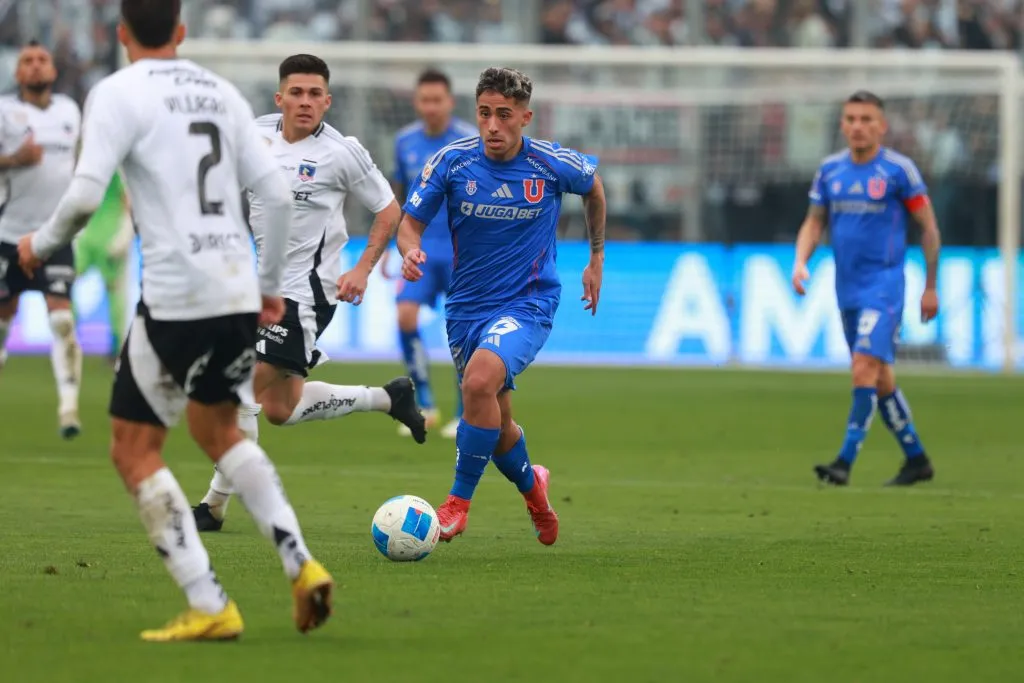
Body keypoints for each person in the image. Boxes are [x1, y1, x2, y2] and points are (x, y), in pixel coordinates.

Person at [18, 0, 333, 641]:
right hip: (236, 287)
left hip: (173, 293)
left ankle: (210, 601)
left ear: (121, 34)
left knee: (133, 447)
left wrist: (38, 244)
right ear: (183, 33)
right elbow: (273, 193)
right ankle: (301, 563)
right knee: (218, 429)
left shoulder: (117, 91)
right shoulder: (219, 91)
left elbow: (82, 197)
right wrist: (269, 286)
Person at [191, 53, 426, 533]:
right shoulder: (253, 134)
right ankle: (387, 398)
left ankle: (213, 507)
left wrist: (363, 268)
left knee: (239, 389)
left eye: (315, 94)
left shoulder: (342, 152)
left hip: (307, 295)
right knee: (280, 409)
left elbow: (388, 211)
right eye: (296, 93)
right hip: (261, 291)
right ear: (280, 98)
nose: (305, 102)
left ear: (327, 100)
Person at [396, 67, 607, 545]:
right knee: (497, 422)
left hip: (528, 302)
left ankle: (456, 505)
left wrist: (596, 258)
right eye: (485, 114)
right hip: (466, 308)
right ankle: (536, 492)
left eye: (504, 116)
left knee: (478, 381)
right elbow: (409, 223)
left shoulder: (551, 164)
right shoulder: (451, 162)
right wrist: (408, 250)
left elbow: (594, 187)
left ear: (525, 118)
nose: (493, 126)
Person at [792, 90, 940, 487]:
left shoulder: (898, 170)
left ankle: (844, 462)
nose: (858, 126)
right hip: (847, 288)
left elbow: (928, 227)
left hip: (885, 285)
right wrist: (800, 261)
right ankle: (917, 459)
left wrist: (930, 286)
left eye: (866, 119)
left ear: (882, 125)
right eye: (851, 119)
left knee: (862, 367)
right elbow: (814, 222)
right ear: (842, 124)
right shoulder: (830, 171)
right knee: (880, 378)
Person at [387, 69, 477, 440]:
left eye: (437, 99)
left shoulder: (470, 142)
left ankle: (465, 412)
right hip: (419, 250)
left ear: (450, 102)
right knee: (406, 316)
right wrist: (386, 249)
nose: (431, 107)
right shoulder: (404, 141)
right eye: (425, 99)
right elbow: (397, 199)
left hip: (461, 254)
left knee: (465, 332)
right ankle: (423, 402)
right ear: (417, 102)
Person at [0, 40, 83, 438]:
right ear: (18, 74)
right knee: (3, 320)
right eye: (27, 61)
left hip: (53, 234)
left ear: (53, 69)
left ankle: (68, 410)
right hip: (8, 234)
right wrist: (14, 159)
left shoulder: (71, 110)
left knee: (63, 320)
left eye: (42, 59)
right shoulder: (3, 110)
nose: (35, 67)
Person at [75, 172, 132, 363]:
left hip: (98, 234)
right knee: (114, 292)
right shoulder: (115, 160)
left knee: (113, 292)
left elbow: (128, 200)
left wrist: (125, 232)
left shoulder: (110, 164)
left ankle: (115, 347)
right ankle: (72, 339)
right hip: (96, 234)